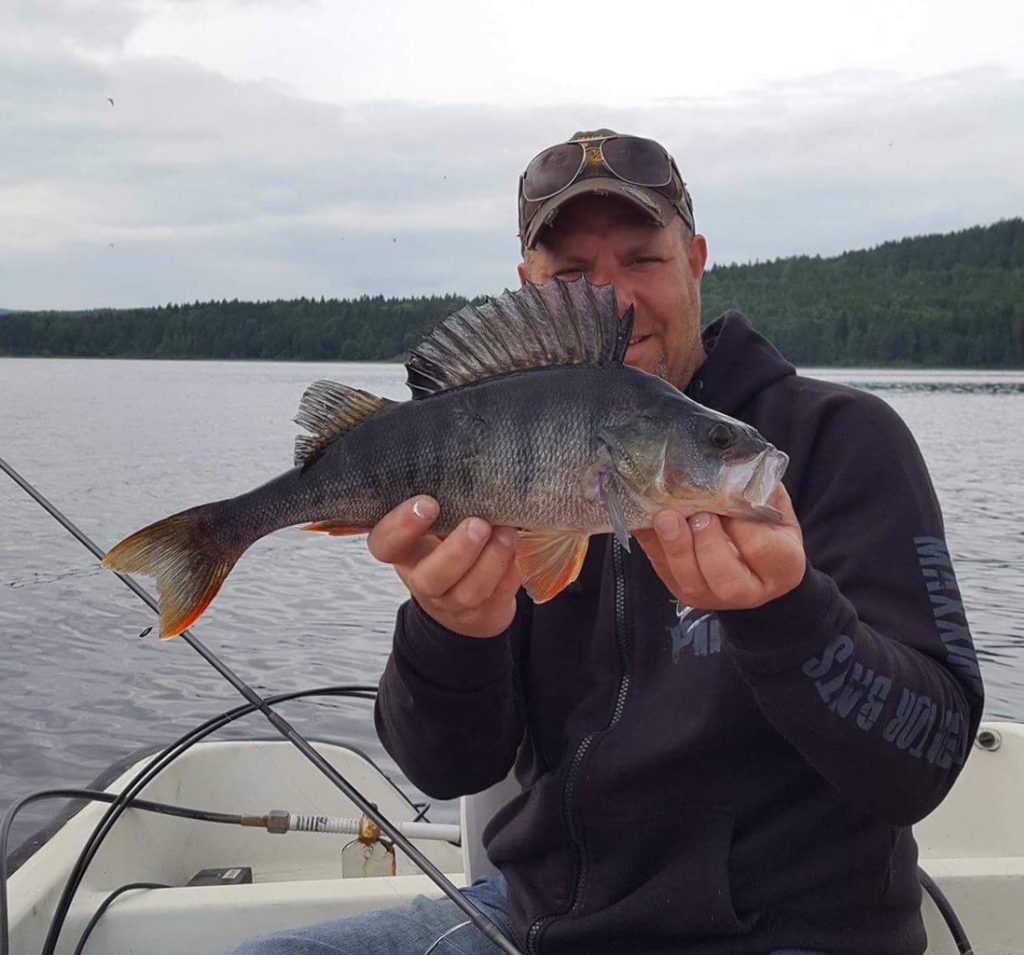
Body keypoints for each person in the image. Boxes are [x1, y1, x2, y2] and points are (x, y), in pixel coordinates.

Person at [227, 130, 984, 954]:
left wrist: (789, 617)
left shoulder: (840, 442)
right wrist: (451, 629)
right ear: (528, 289)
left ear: (695, 259)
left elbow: (931, 753)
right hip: (538, 924)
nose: (615, 298)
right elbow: (449, 769)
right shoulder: (498, 460)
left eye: (642, 259)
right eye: (574, 276)